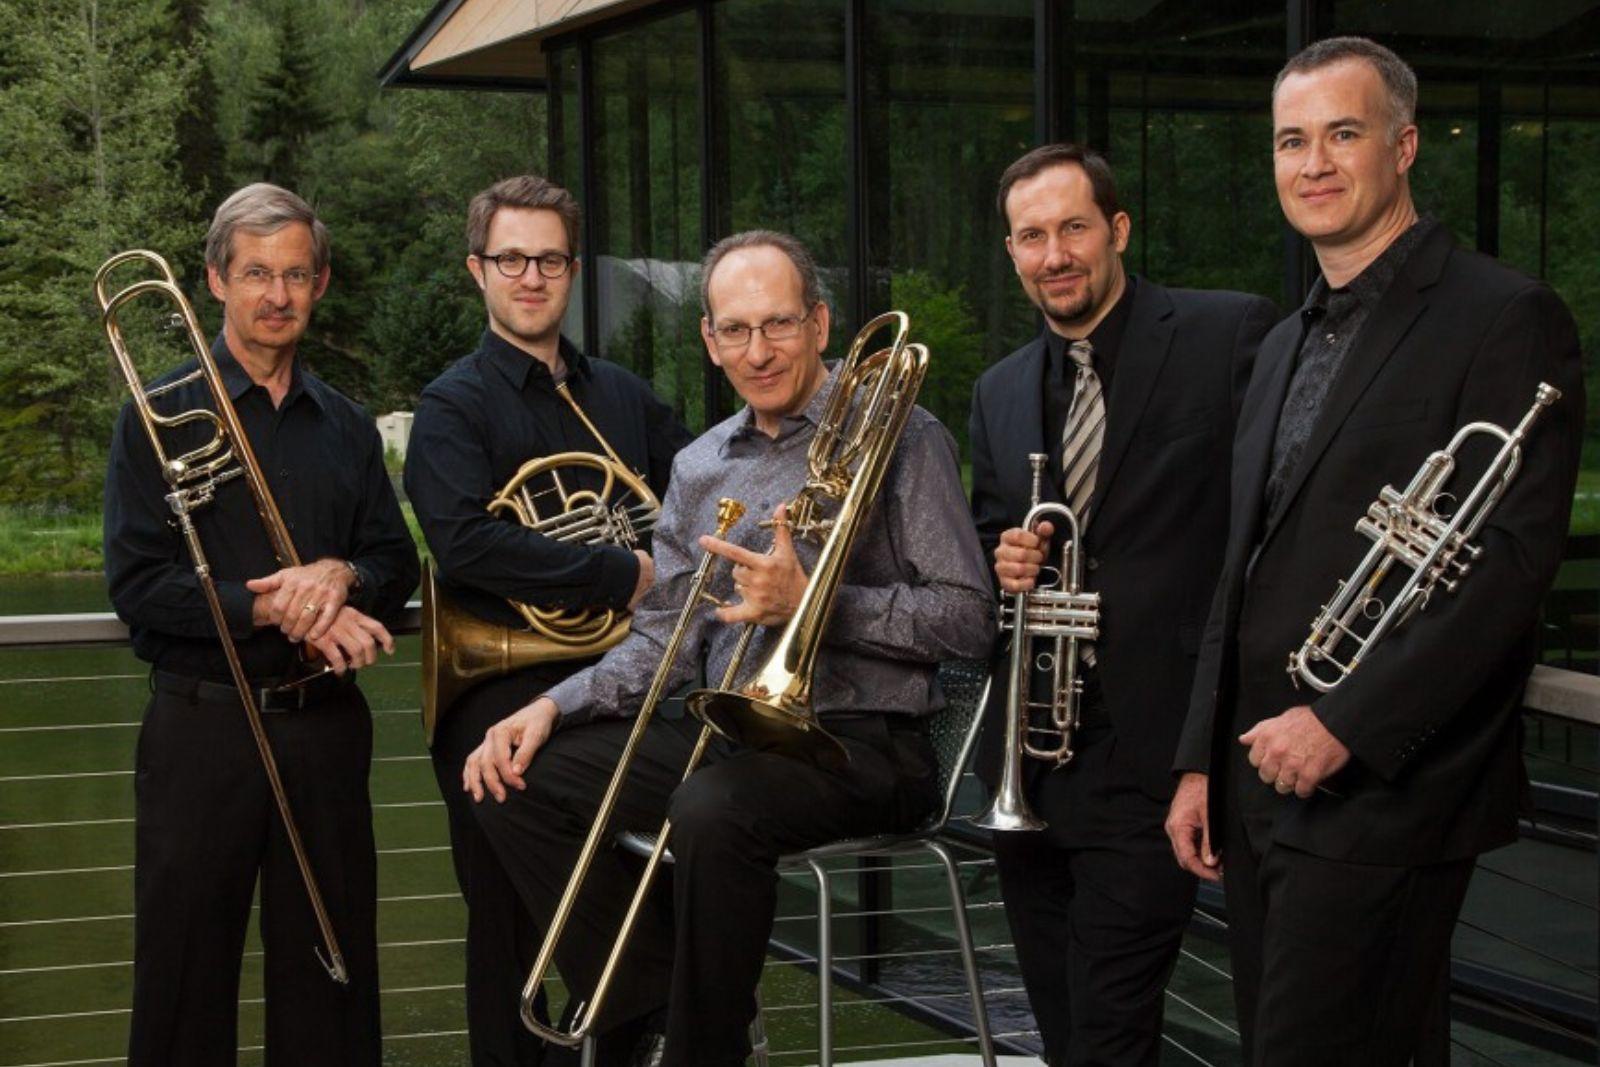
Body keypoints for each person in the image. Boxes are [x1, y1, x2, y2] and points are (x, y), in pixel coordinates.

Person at [462, 229, 994, 1067]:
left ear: (820, 324)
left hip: (867, 741)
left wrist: (818, 603)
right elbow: (662, 644)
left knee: (709, 809)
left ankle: (701, 1050)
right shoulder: (701, 463)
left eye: (778, 324)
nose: (759, 349)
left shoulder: (904, 434)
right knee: (508, 777)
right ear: (709, 341)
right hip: (727, 731)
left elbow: (968, 619)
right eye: (736, 330)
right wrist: (546, 705)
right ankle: (650, 990)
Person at [1165, 37, 1584, 1065]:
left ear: (1401, 146)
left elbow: (1506, 568)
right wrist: (1195, 757)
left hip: (1388, 781)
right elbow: (1242, 565)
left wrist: (1344, 722)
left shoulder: (1503, 316)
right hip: (1258, 769)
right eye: (1290, 141)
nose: (1312, 162)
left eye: (1340, 134)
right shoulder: (1279, 345)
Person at [969, 143, 1276, 1065]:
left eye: (1073, 228)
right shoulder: (1001, 390)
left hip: (1157, 754)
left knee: (1109, 1027)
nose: (1054, 254)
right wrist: (1008, 558)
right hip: (1035, 763)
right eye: (1031, 236)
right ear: (1013, 251)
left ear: (1118, 230)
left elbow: (1270, 526)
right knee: (1065, 1028)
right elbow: (995, 536)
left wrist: (1206, 753)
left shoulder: (1227, 335)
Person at [104, 182, 419, 1066]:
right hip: (200, 732)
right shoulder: (154, 416)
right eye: (255, 274)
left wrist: (342, 573)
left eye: (294, 274)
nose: (275, 295)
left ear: (319, 284)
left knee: (333, 979)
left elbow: (397, 565)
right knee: (181, 982)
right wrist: (266, 602)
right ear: (215, 280)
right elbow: (139, 587)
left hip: (322, 728)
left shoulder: (349, 428)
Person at [404, 174, 691, 1066]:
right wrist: (619, 568)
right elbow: (466, 545)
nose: (532, 276)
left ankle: (645, 1001)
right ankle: (640, 990)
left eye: (551, 259)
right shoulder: (453, 405)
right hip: (501, 683)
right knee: (509, 932)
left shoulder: (622, 396)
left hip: (618, 679)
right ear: (477, 269)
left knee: (650, 881)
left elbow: (691, 495)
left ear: (572, 271)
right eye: (512, 258)